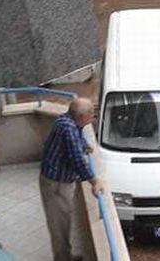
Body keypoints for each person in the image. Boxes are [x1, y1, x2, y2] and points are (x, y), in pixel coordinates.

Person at [39, 98, 103, 261]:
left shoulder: (68, 120)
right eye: (91, 114)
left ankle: (66, 256)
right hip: (56, 185)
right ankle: (62, 259)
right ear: (81, 117)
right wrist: (95, 182)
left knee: (65, 222)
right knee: (59, 227)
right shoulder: (67, 128)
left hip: (59, 182)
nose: (93, 117)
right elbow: (77, 160)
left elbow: (77, 134)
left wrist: (83, 144)